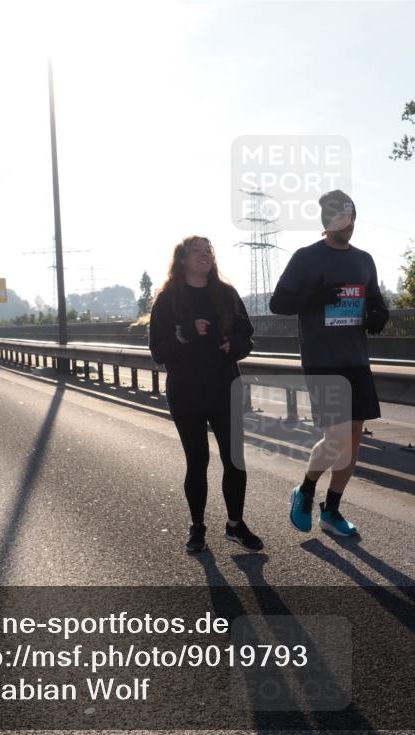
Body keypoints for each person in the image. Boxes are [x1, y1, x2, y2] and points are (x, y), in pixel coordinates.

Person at [269, 190, 389, 537]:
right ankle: (304, 490)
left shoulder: (364, 260)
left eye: (350, 214)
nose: (345, 222)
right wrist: (314, 298)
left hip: (356, 360)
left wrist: (380, 313)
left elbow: (376, 300)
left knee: (352, 440)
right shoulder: (307, 257)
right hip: (322, 361)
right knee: (335, 440)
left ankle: (331, 510)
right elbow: (279, 302)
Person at [149, 235, 263, 554]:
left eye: (208, 250)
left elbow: (246, 336)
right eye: (196, 251)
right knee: (197, 461)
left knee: (235, 461)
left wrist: (234, 346)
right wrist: (185, 331)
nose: (204, 255)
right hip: (186, 390)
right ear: (182, 260)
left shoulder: (226, 294)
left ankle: (235, 526)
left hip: (224, 386)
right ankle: (197, 527)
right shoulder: (168, 299)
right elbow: (158, 351)